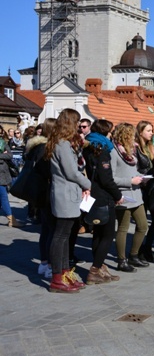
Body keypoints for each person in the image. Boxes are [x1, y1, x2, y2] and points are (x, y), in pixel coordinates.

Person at [45, 109, 91, 293]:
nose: (79, 126)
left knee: (65, 236)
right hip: (65, 193)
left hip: (68, 193)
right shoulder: (62, 144)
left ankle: (64, 273)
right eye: (77, 122)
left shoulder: (64, 143)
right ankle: (57, 277)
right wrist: (87, 183)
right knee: (61, 236)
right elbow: (71, 172)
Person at [83, 119, 125, 283]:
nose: (111, 134)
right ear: (105, 132)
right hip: (103, 196)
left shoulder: (88, 146)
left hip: (91, 194)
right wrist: (118, 195)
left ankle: (99, 267)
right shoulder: (102, 150)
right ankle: (95, 269)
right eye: (110, 131)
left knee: (98, 232)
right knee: (107, 234)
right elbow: (106, 179)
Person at [111, 122, 148, 272]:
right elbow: (111, 178)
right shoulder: (113, 152)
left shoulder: (130, 150)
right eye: (131, 134)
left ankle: (134, 255)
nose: (134, 137)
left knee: (143, 226)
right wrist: (129, 181)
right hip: (123, 195)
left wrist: (140, 177)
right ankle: (122, 260)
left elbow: (132, 170)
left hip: (137, 194)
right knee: (123, 228)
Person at [28, 118, 56, 277]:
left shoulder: (35, 147)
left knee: (46, 229)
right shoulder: (44, 148)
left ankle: (44, 263)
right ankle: (50, 265)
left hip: (38, 193)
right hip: (46, 192)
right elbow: (47, 171)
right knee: (52, 230)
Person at [136, 120, 154, 263]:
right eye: (149, 130)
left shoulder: (152, 147)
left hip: (153, 188)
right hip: (141, 188)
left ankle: (147, 248)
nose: (152, 133)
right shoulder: (136, 148)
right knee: (142, 223)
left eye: (152, 130)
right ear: (140, 132)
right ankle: (138, 251)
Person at [0, 134, 17, 228]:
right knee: (3, 196)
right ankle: (11, 219)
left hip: (4, 173)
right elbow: (6, 155)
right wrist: (3, 155)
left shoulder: (3, 143)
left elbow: (10, 155)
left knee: (1, 196)